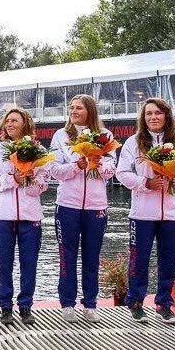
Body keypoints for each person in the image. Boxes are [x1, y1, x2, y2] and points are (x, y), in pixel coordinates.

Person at [115, 98, 175, 324]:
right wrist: (146, 183)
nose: (153, 117)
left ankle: (164, 305)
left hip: (171, 213)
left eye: (158, 113)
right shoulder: (133, 142)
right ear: (143, 118)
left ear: (166, 116)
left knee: (168, 261)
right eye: (148, 113)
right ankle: (136, 303)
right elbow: (122, 173)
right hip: (142, 213)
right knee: (139, 260)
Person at [49, 94, 116, 323]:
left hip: (96, 206)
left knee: (92, 257)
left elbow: (111, 171)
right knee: (66, 256)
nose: (74, 111)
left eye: (79, 108)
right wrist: (76, 166)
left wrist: (97, 163)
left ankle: (90, 304)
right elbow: (54, 171)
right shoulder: (61, 135)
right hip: (67, 205)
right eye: (71, 108)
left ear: (90, 111)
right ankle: (67, 303)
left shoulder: (105, 136)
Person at [0, 108, 50, 325]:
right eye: (7, 121)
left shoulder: (38, 151)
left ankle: (26, 306)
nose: (9, 124)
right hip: (2, 217)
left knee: (29, 264)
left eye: (14, 121)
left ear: (25, 124)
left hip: (31, 217)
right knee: (3, 263)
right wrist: (12, 180)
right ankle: (5, 307)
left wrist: (29, 179)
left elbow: (43, 185)